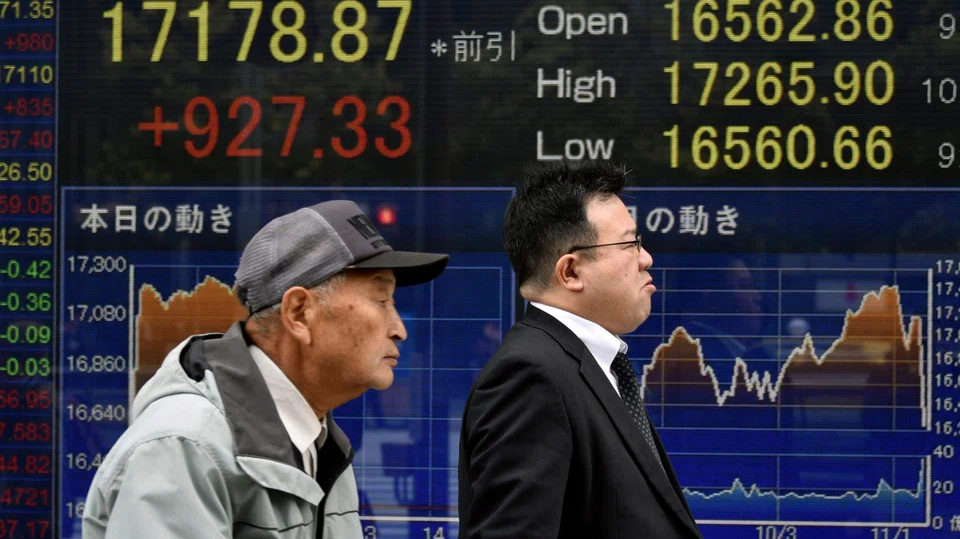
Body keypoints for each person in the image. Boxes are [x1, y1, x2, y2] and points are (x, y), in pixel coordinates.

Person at [83, 200, 449, 539]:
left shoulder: (320, 445)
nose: (399, 329)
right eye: (381, 300)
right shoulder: (183, 448)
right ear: (299, 313)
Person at [458, 161, 702, 538]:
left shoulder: (586, 367)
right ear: (571, 272)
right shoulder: (530, 377)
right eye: (630, 243)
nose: (646, 258)